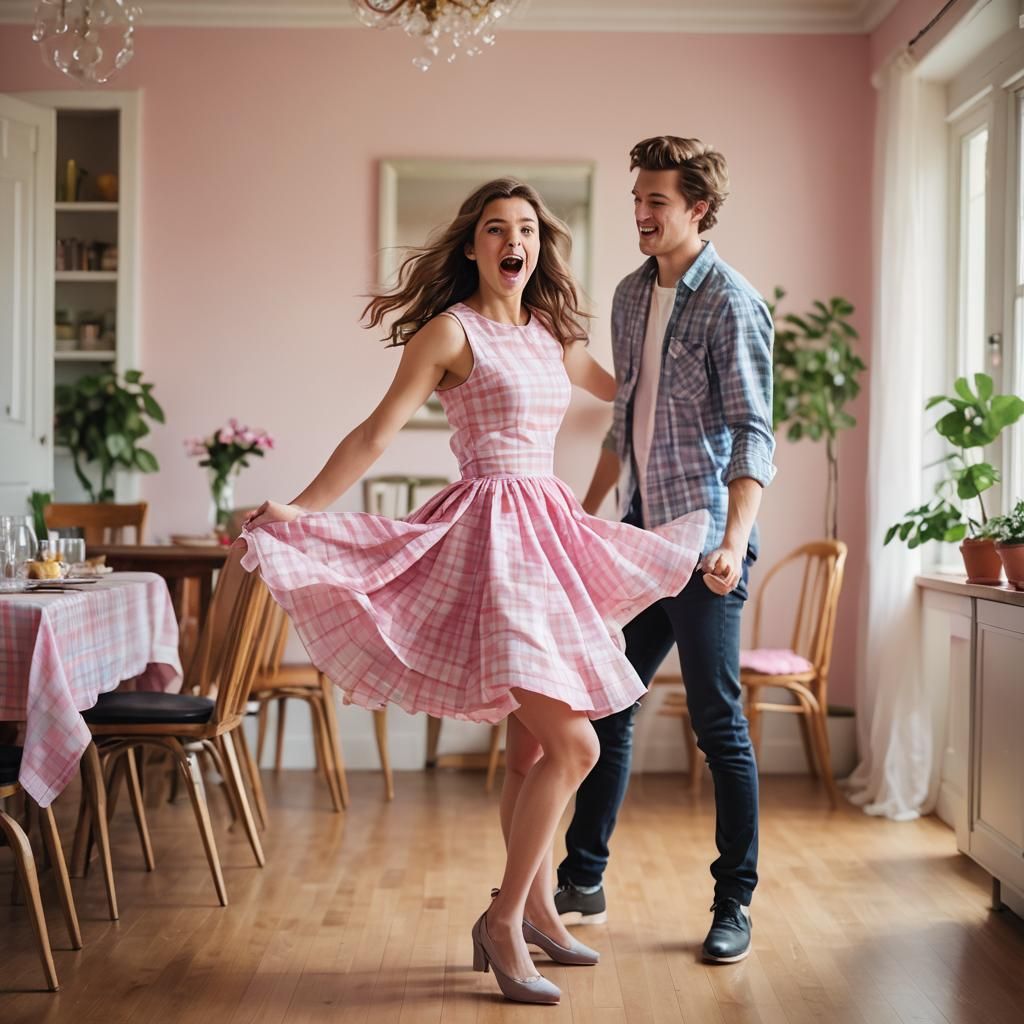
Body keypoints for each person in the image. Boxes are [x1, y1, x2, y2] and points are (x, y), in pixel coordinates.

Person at [237, 177, 710, 1004]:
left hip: (551, 534)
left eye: (525, 228)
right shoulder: (448, 334)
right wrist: (302, 508)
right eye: (496, 229)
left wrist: (686, 319)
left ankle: (533, 911)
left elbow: (625, 391)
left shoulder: (551, 332)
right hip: (491, 541)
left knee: (531, 749)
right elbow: (376, 433)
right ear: (472, 246)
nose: (511, 241)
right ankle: (501, 919)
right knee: (578, 746)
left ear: (538, 246)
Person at [554, 137, 776, 965]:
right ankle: (583, 878)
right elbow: (623, 425)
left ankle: (734, 903)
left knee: (718, 722)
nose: (641, 215)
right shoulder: (627, 295)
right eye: (636, 199)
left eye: (657, 202)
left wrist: (732, 542)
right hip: (643, 535)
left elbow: (755, 433)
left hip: (707, 539)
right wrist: (579, 523)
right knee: (610, 701)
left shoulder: (732, 302)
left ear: (698, 210)